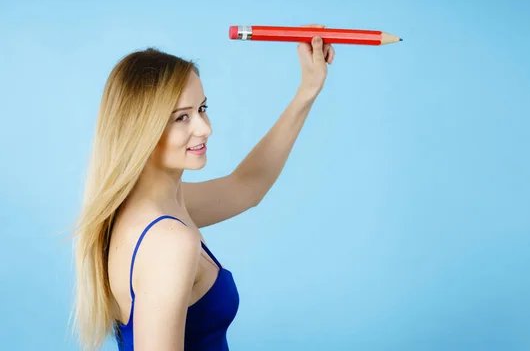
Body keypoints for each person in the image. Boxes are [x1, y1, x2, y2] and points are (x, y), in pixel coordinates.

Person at [70, 25, 335, 351]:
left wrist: (307, 90)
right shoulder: (168, 241)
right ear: (142, 128)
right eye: (182, 117)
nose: (205, 128)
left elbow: (246, 186)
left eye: (202, 109)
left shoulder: (150, 206)